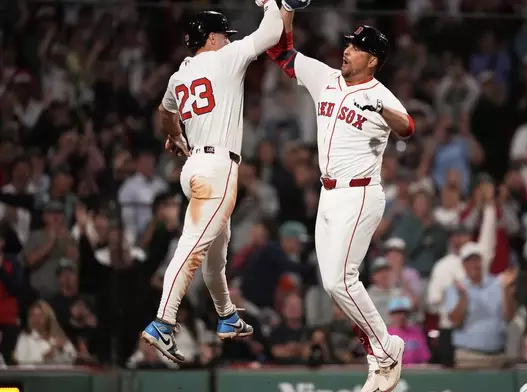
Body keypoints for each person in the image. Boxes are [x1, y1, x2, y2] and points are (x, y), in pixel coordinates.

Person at [265, 3, 414, 391]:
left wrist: (381, 106)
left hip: (361, 194)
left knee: (340, 281)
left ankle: (385, 346)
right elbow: (281, 52)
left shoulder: (380, 93)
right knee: (332, 283)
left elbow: (408, 127)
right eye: (348, 44)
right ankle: (378, 357)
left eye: (357, 47)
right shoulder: (326, 78)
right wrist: (286, 11)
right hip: (328, 194)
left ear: (373, 59)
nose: (347, 50)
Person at [141, 1, 284, 363]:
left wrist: (174, 137)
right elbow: (272, 33)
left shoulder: (179, 74)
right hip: (218, 168)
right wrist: (271, 3)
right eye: (222, 34)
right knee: (192, 249)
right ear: (211, 36)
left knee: (216, 255)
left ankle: (226, 316)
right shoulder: (225, 58)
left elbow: (164, 111)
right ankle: (163, 322)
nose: (226, 39)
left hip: (195, 166)